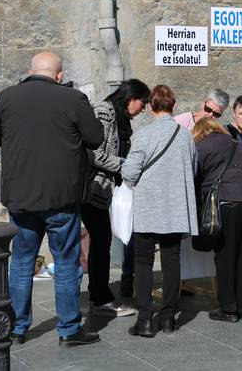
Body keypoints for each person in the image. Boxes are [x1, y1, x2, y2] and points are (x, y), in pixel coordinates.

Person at [0, 52, 103, 347]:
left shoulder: (8, 97)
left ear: (30, 71)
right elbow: (95, 138)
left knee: (22, 263)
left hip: (21, 198)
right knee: (66, 263)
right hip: (60, 197)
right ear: (59, 75)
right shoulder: (73, 99)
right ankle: (68, 329)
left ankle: (17, 327)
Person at [121, 85, 198, 338]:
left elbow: (130, 172)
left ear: (151, 107)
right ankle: (168, 318)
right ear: (173, 106)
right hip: (175, 209)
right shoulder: (185, 135)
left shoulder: (143, 135)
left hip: (148, 209)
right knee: (171, 261)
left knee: (143, 263)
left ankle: (144, 320)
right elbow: (194, 167)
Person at [82, 79, 150, 317]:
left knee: (101, 240)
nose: (143, 109)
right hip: (92, 188)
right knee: (101, 240)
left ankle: (97, 293)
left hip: (104, 188)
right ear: (131, 98)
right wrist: (127, 166)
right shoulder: (104, 112)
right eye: (142, 103)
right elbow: (96, 154)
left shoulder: (118, 116)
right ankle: (100, 297)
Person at [193, 118, 242, 322]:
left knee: (226, 257)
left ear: (199, 133)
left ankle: (228, 309)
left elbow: (194, 177)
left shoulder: (201, 145)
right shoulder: (236, 144)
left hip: (230, 202)